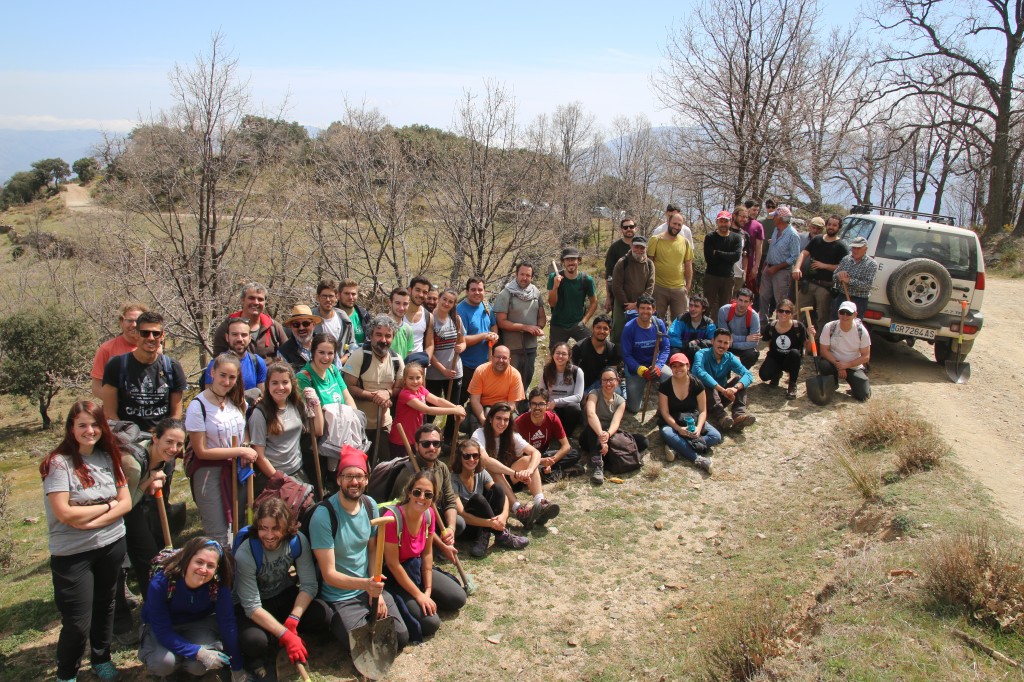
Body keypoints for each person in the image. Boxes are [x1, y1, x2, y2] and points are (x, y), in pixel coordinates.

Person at [42, 401, 130, 682]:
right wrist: (107, 507)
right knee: (78, 621)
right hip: (73, 552)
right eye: (82, 424)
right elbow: (65, 513)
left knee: (106, 604)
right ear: (71, 428)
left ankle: (101, 657)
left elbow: (125, 502)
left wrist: (92, 516)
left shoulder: (109, 457)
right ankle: (67, 673)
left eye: (94, 424)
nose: (89, 430)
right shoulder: (59, 463)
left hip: (111, 543)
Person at [306, 449, 409, 654]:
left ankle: (366, 618)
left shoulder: (370, 505)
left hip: (368, 588)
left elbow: (372, 551)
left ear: (367, 479)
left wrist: (375, 589)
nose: (354, 482)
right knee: (367, 651)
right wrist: (367, 585)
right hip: (340, 597)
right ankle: (340, 623)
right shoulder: (324, 516)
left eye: (359, 476)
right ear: (338, 479)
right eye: (349, 476)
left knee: (401, 637)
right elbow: (329, 574)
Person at [233, 498, 317, 680]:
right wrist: (287, 635)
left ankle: (277, 633)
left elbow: (309, 585)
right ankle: (269, 644)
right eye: (264, 528)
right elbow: (252, 607)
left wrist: (293, 619)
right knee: (254, 641)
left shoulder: (297, 541)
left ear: (287, 527)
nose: (269, 535)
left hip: (282, 594)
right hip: (255, 606)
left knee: (322, 615)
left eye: (275, 528)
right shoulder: (246, 553)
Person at [139, 537, 245, 681]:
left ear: (216, 569)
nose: (203, 569)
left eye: (210, 565)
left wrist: (237, 666)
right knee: (163, 663)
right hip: (164, 626)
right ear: (187, 560)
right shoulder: (161, 582)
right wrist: (198, 652)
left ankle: (189, 670)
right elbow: (163, 631)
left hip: (199, 623)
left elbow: (227, 622)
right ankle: (169, 673)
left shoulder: (218, 585)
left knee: (199, 666)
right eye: (199, 562)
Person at [117, 418, 186, 638]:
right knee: (119, 565)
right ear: (155, 437)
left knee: (148, 557)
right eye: (169, 442)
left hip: (131, 509)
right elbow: (125, 503)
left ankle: (155, 608)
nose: (173, 449)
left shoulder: (164, 459)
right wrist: (149, 481)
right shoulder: (133, 463)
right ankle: (119, 625)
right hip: (112, 513)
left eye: (179, 444)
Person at [380, 471, 467, 641]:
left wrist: (427, 590)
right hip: (396, 576)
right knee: (430, 624)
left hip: (416, 567)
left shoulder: (429, 515)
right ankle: (413, 601)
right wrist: (419, 596)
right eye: (417, 492)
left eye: (428, 494)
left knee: (458, 598)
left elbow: (427, 554)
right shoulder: (392, 519)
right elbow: (392, 564)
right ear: (409, 491)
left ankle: (425, 599)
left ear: (434, 498)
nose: (422, 497)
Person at [186, 354, 258, 546]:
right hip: (210, 474)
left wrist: (245, 446)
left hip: (238, 470)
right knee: (218, 533)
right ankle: (220, 571)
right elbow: (201, 451)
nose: (227, 382)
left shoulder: (236, 401)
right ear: (212, 373)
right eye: (222, 375)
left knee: (241, 525)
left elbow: (244, 431)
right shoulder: (198, 406)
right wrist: (240, 452)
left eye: (232, 377)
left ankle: (239, 572)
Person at [472, 403, 559, 529]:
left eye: (506, 419)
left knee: (528, 460)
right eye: (498, 418)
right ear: (490, 419)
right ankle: (519, 510)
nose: (502, 423)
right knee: (493, 470)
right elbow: (485, 460)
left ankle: (540, 504)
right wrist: (515, 474)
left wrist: (529, 470)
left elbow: (535, 453)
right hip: (488, 484)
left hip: (508, 478)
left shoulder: (512, 435)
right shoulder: (479, 434)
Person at [100, 311, 187, 431]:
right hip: (126, 438)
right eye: (145, 333)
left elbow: (176, 415)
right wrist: (127, 436)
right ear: (136, 334)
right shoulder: (116, 365)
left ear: (162, 336)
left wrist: (162, 438)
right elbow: (109, 413)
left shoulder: (172, 367)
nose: (150, 338)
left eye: (156, 333)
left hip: (160, 441)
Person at [389, 424, 464, 553]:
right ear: (417, 446)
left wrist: (450, 529)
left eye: (436, 443)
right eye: (426, 444)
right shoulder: (408, 475)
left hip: (432, 516)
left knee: (459, 523)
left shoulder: (442, 468)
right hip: (412, 523)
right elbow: (410, 516)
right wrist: (442, 545)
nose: (431, 448)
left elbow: (450, 501)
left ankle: (434, 544)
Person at [248, 363, 321, 495]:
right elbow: (259, 455)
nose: (280, 387)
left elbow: (318, 430)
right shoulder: (260, 413)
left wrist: (316, 404)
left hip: (297, 470)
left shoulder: (297, 405)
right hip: (273, 476)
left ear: (292, 384)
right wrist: (280, 480)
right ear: (268, 385)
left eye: (285, 382)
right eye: (275, 383)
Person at [451, 438, 528, 557]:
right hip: (468, 526)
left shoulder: (480, 472)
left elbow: (503, 496)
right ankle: (501, 534)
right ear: (460, 457)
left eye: (475, 456)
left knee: (498, 488)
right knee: (478, 499)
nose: (471, 460)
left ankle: (489, 535)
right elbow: (462, 514)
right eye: (467, 456)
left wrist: (504, 516)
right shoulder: (453, 479)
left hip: (484, 525)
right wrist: (491, 524)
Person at [342, 315, 405, 456]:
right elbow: (348, 386)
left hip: (384, 424)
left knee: (385, 465)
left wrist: (387, 394)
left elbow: (399, 388)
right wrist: (374, 396)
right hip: (358, 424)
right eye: (378, 335)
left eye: (388, 336)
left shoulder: (397, 360)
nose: (383, 340)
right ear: (370, 335)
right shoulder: (359, 356)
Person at [581, 367, 649, 485]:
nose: (608, 383)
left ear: (617, 381)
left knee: (643, 442)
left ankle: (607, 457)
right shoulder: (594, 394)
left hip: (609, 434)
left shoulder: (621, 401)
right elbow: (591, 415)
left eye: (611, 380)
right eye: (605, 380)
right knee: (593, 430)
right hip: (592, 434)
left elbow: (615, 422)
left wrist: (607, 435)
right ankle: (598, 466)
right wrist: (601, 435)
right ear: (601, 382)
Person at [657, 354, 722, 473]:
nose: (678, 369)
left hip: (692, 420)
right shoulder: (665, 386)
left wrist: (698, 428)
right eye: (674, 366)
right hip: (673, 422)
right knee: (666, 432)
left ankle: (677, 448)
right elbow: (665, 413)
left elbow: (703, 411)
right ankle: (698, 459)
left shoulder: (697, 384)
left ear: (688, 366)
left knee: (716, 436)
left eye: (681, 365)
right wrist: (679, 429)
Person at [389, 362, 466, 460]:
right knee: (402, 469)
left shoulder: (421, 389)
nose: (415, 381)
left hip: (415, 439)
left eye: (418, 377)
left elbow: (438, 400)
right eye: (411, 378)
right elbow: (427, 410)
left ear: (423, 378)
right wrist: (454, 411)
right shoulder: (405, 394)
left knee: (417, 468)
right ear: (404, 380)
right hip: (401, 440)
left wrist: (456, 407)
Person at [494, 262, 545, 398]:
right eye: (522, 274)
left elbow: (541, 317)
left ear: (532, 277)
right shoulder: (505, 294)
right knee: (509, 383)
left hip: (530, 347)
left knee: (526, 381)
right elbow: (501, 322)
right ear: (516, 274)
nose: (524, 278)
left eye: (528, 275)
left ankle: (521, 412)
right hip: (511, 348)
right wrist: (525, 328)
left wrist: (538, 328)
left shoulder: (536, 293)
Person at [692, 329, 756, 433]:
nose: (722, 345)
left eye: (726, 343)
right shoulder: (701, 354)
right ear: (712, 341)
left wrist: (735, 389)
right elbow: (700, 373)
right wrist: (722, 389)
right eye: (719, 341)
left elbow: (748, 374)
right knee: (705, 383)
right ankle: (722, 417)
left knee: (739, 380)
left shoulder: (729, 357)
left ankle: (739, 416)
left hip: (721, 396)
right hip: (701, 398)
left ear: (729, 344)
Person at [793, 215, 848, 332]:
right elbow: (803, 253)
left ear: (839, 228)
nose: (831, 227)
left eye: (834, 225)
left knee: (822, 318)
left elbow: (843, 267)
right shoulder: (817, 239)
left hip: (825, 287)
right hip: (808, 283)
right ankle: (793, 339)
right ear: (826, 226)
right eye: (829, 224)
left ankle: (818, 345)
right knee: (797, 313)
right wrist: (797, 268)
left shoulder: (841, 246)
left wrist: (824, 266)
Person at [426, 289, 466, 444]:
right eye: (444, 299)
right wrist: (442, 369)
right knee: (431, 408)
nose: (446, 303)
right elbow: (428, 348)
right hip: (434, 373)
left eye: (450, 301)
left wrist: (461, 347)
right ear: (439, 299)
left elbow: (462, 341)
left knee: (453, 408)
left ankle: (449, 439)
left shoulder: (455, 319)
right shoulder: (430, 319)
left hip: (455, 371)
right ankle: (428, 438)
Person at [515, 388, 581, 479]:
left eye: (541, 404)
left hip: (544, 454)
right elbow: (516, 455)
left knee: (574, 453)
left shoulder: (552, 418)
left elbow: (566, 446)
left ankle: (546, 471)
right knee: (527, 468)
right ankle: (559, 473)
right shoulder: (519, 423)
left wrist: (551, 461)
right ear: (529, 405)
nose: (537, 407)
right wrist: (541, 461)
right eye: (534, 404)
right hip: (527, 459)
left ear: (547, 405)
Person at [621, 295, 670, 414]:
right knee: (634, 408)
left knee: (670, 376)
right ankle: (624, 388)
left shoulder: (658, 324)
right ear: (637, 310)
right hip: (636, 368)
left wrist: (658, 366)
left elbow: (666, 348)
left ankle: (667, 406)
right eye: (642, 308)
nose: (645, 312)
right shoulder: (629, 328)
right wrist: (641, 370)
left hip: (654, 364)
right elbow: (626, 355)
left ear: (654, 310)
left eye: (648, 308)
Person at [213, 283, 288, 360]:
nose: (256, 302)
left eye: (260, 299)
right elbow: (218, 360)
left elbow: (288, 355)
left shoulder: (273, 326)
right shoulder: (227, 326)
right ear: (242, 300)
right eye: (251, 298)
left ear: (265, 303)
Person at [759, 299, 814, 400]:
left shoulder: (798, 327)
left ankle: (792, 384)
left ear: (791, 314)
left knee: (795, 353)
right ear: (777, 312)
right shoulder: (771, 326)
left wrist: (811, 336)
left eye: (787, 312)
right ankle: (777, 373)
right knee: (764, 375)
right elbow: (768, 342)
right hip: (776, 357)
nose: (784, 314)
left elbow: (808, 348)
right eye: (781, 311)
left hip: (791, 359)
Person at [817, 301, 872, 401]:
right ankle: (832, 384)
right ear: (838, 313)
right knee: (823, 365)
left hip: (853, 366)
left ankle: (860, 385)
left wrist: (847, 365)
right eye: (842, 312)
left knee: (864, 396)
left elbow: (866, 357)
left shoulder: (861, 331)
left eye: (849, 313)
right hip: (833, 364)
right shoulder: (830, 327)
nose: (845, 316)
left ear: (855, 314)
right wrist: (839, 365)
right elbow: (824, 351)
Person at [91, 302, 148, 398]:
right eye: (129, 321)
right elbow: (96, 387)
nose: (134, 325)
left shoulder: (153, 348)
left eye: (138, 321)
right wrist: (114, 404)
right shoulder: (106, 349)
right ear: (121, 322)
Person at [202, 317, 267, 402]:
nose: (239, 339)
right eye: (234, 334)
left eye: (244, 335)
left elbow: (262, 398)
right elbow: (209, 401)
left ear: (250, 338)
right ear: (227, 337)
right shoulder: (215, 365)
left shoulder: (258, 362)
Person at [647, 212, 695, 323]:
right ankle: (658, 341)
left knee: (680, 323)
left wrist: (687, 287)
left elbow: (688, 265)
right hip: (659, 287)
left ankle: (675, 341)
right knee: (656, 321)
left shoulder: (685, 243)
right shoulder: (656, 240)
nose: (676, 227)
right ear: (668, 222)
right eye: (674, 223)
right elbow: (650, 263)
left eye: (679, 225)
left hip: (678, 288)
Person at [547, 247, 598, 349]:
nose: (571, 263)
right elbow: (552, 303)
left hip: (577, 324)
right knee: (555, 355)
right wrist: (555, 286)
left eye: (573, 259)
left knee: (592, 347)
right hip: (558, 324)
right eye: (567, 260)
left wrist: (584, 321)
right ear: (563, 262)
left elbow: (594, 302)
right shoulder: (554, 277)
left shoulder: (586, 279)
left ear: (578, 261)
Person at [466, 345, 526, 430]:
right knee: (464, 422)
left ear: (509, 360)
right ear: (492, 358)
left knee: (517, 423)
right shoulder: (481, 371)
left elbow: (512, 405)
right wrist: (483, 420)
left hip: (504, 409)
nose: (501, 361)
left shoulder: (515, 375)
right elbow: (474, 400)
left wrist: (500, 419)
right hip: (483, 408)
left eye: (504, 358)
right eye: (498, 357)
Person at [759, 206, 801, 324]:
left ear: (781, 218)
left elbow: (794, 257)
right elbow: (772, 248)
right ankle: (763, 323)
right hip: (769, 267)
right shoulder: (776, 230)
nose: (773, 218)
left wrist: (777, 267)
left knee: (780, 300)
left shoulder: (793, 235)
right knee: (763, 296)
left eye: (775, 216)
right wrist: (766, 264)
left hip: (782, 271)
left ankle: (780, 325)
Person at [610, 236, 655, 344]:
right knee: (619, 332)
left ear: (646, 249)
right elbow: (616, 286)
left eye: (642, 248)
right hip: (622, 304)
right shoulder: (622, 262)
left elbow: (650, 286)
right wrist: (627, 305)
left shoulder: (649, 264)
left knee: (640, 332)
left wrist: (637, 304)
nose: (639, 250)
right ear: (631, 246)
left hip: (641, 305)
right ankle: (617, 357)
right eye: (636, 247)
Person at [455, 277, 499, 380]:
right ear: (467, 291)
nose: (477, 293)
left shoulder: (486, 305)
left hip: (486, 365)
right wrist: (484, 336)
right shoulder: (460, 311)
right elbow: (461, 340)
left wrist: (494, 335)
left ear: (484, 291)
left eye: (480, 290)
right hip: (466, 366)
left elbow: (493, 325)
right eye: (473, 290)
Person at [537, 342, 585, 435]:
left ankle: (567, 434)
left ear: (569, 356)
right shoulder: (547, 371)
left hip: (568, 409)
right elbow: (541, 392)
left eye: (564, 354)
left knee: (574, 408)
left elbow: (578, 396)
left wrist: (557, 401)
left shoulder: (576, 371)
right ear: (553, 354)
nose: (560, 356)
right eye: (558, 353)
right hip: (552, 408)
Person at [702, 211, 744, 315]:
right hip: (712, 276)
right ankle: (703, 329)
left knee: (725, 308)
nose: (723, 224)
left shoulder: (736, 238)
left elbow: (736, 257)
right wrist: (727, 256)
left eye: (726, 221)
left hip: (728, 278)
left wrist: (718, 252)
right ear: (717, 222)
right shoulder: (710, 237)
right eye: (721, 221)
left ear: (730, 222)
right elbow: (710, 259)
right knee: (706, 306)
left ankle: (721, 329)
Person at [571, 314, 622, 393]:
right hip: (583, 387)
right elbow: (571, 372)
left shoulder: (611, 348)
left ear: (610, 331)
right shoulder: (580, 347)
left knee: (617, 391)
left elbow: (613, 371)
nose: (601, 331)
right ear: (593, 328)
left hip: (603, 384)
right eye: (598, 327)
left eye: (605, 328)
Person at [832, 236, 878, 320]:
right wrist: (839, 276)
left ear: (865, 249)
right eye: (854, 247)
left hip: (858, 300)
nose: (855, 250)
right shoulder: (846, 259)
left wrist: (849, 281)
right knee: (836, 323)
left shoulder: (871, 264)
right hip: (842, 297)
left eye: (858, 248)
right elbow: (834, 277)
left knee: (854, 326)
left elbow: (867, 285)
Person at [716, 288, 761, 369]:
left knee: (751, 354)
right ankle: (724, 372)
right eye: (740, 300)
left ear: (751, 303)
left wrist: (733, 343)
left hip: (740, 346)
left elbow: (754, 343)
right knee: (716, 347)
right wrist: (746, 338)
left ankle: (743, 374)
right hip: (726, 344)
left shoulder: (754, 316)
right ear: (736, 299)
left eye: (746, 301)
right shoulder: (724, 311)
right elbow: (723, 337)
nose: (742, 304)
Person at [312, 280, 354, 361]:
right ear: (317, 298)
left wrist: (339, 363)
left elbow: (352, 346)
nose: (328, 300)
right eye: (324, 296)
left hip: (340, 370)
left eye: (331, 296)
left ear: (336, 297)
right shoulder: (310, 320)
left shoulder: (345, 320)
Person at [668, 295, 717, 363]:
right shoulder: (681, 319)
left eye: (696, 306)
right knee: (674, 352)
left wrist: (698, 342)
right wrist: (688, 345)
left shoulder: (709, 323)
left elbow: (713, 341)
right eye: (691, 305)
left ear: (703, 309)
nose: (692, 309)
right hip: (682, 350)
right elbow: (671, 338)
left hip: (699, 351)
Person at [604, 217, 638, 313]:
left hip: (638, 294)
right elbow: (608, 274)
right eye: (625, 227)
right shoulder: (615, 248)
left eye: (631, 226)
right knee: (619, 324)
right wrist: (608, 297)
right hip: (619, 292)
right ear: (621, 230)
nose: (628, 229)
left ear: (636, 228)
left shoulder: (641, 247)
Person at [277, 305, 323, 373]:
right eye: (296, 325)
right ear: (291, 327)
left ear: (313, 325)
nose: (301, 328)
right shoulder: (283, 353)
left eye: (306, 324)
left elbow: (336, 371)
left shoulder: (325, 344)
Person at [405, 276, 436, 367]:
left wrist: (425, 361)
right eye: (417, 290)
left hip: (418, 369)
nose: (421, 295)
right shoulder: (399, 313)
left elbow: (430, 345)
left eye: (425, 292)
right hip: (398, 366)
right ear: (410, 290)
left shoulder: (428, 316)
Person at [386, 287, 417, 360]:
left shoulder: (408, 330)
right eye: (397, 303)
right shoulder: (380, 326)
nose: (401, 308)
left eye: (405, 304)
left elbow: (408, 356)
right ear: (390, 303)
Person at [338, 278, 370, 347]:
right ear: (339, 295)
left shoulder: (363, 315)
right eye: (346, 294)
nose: (350, 297)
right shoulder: (333, 315)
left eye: (353, 294)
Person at [742, 200, 766, 292]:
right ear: (746, 208)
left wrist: (756, 267)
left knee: (748, 290)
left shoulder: (758, 226)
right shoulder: (737, 223)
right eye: (753, 210)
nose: (756, 213)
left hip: (750, 262)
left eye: (757, 210)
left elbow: (759, 248)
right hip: (737, 261)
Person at [730, 207, 751, 298]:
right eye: (742, 216)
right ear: (734, 216)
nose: (744, 219)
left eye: (746, 217)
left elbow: (746, 256)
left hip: (739, 275)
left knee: (734, 302)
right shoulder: (726, 231)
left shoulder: (745, 235)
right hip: (725, 274)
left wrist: (744, 273)